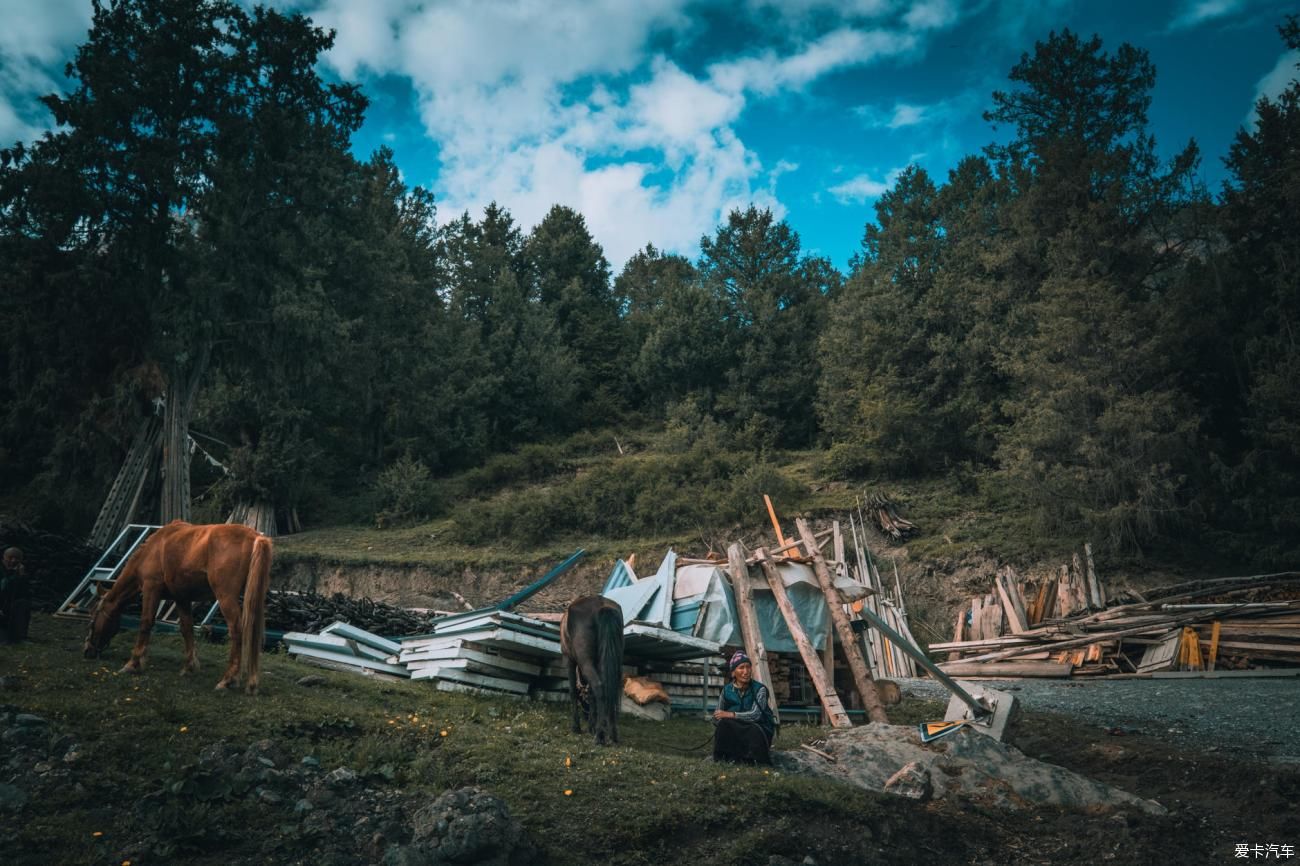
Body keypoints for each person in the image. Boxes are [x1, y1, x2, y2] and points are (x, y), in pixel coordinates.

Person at [711, 650, 776, 764]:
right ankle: (722, 758)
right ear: (733, 673)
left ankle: (754, 758)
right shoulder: (726, 690)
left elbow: (755, 716)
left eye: (748, 667)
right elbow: (717, 716)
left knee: (753, 729)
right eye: (741, 667)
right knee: (723, 725)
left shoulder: (760, 689)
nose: (746, 672)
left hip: (758, 729)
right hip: (738, 730)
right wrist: (719, 718)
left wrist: (731, 715)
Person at [0, 546, 31, 643]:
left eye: (17, 558)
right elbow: (4, 587)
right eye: (10, 557)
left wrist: (21, 577)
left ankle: (19, 635)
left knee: (22, 603)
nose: (13, 561)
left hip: (9, 606)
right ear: (4, 558)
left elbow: (24, 593)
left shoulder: (19, 573)